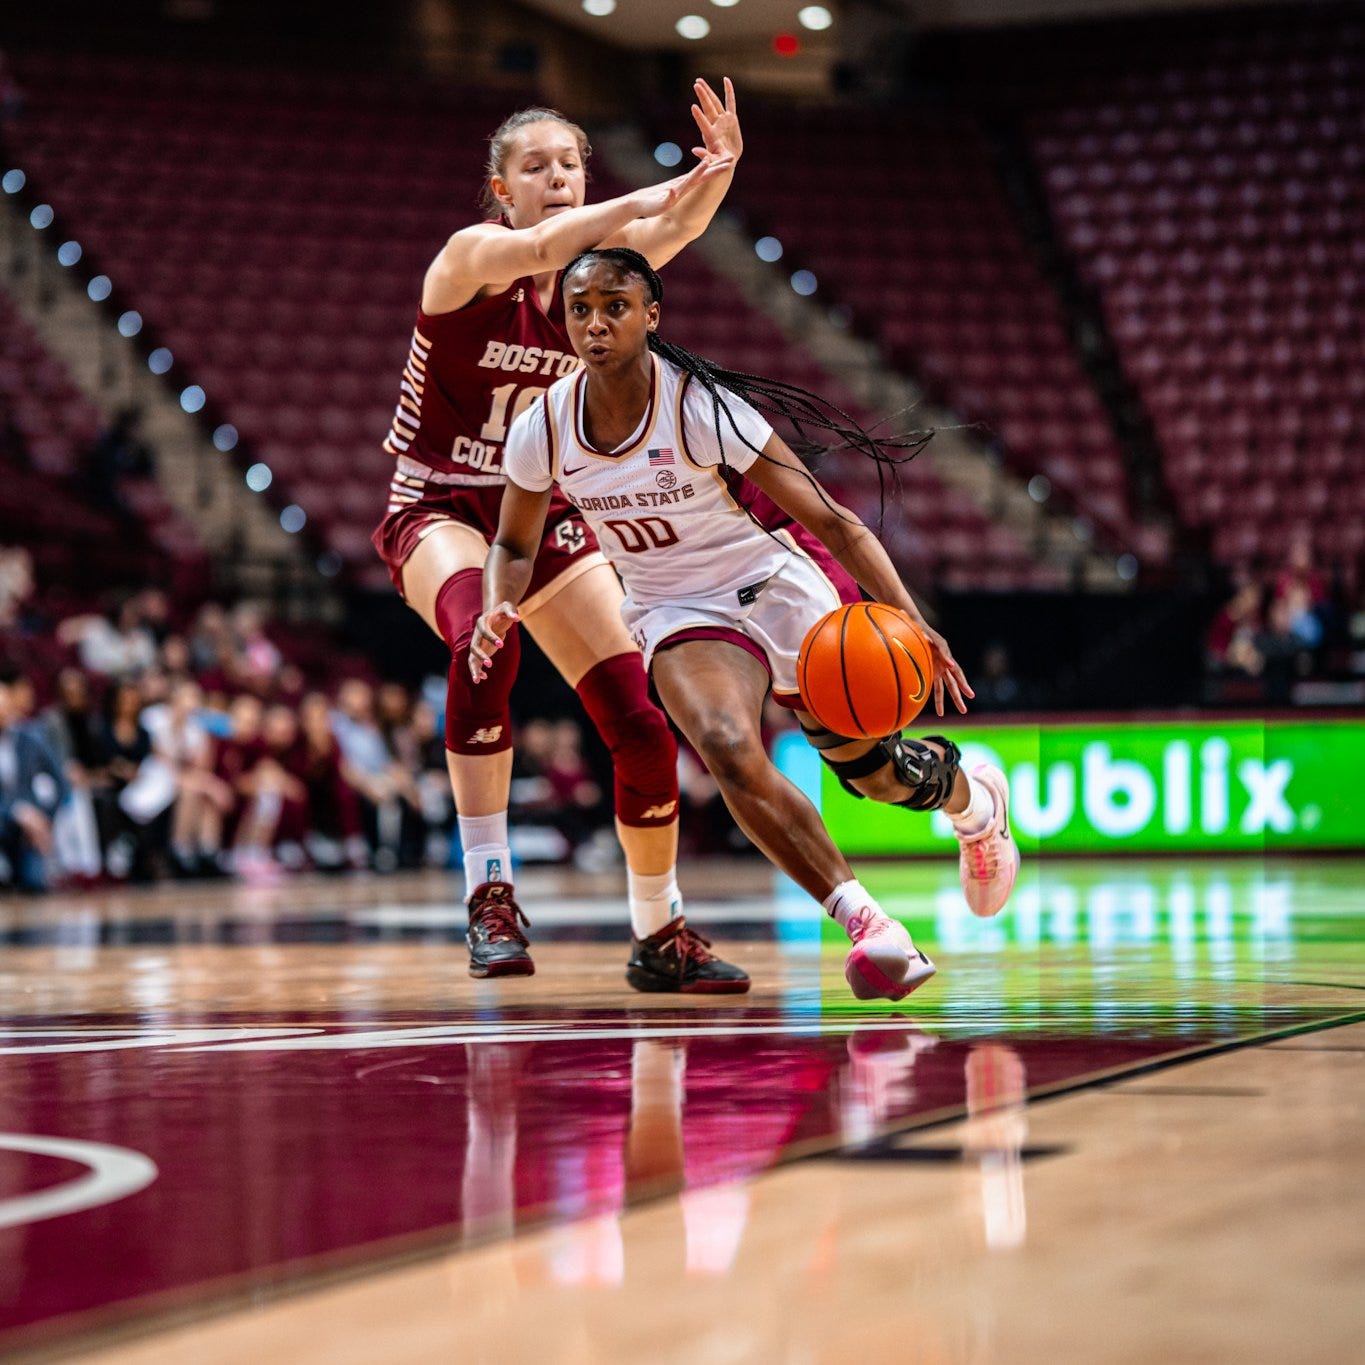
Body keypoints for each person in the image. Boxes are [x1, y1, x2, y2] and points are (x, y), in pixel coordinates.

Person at [472, 249, 1019, 1001]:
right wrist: (498, 599)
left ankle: (975, 803)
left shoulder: (702, 406)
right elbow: (510, 542)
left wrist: (912, 619)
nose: (595, 323)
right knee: (728, 746)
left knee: (879, 778)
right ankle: (871, 927)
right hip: (675, 610)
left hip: (775, 584)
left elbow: (832, 519)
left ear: (650, 315)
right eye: (579, 309)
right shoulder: (543, 426)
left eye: (614, 306)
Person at [370, 84, 748, 986]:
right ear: (500, 190)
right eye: (534, 167)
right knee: (481, 644)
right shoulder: (469, 257)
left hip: (539, 514)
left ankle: (661, 934)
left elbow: (681, 231)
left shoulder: (597, 287)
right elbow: (547, 244)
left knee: (641, 723)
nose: (556, 179)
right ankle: (489, 894)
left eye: (569, 164)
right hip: (439, 506)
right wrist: (648, 195)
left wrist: (718, 169)